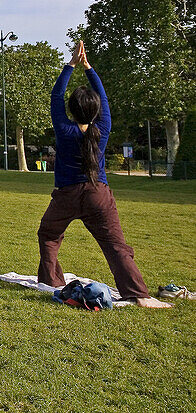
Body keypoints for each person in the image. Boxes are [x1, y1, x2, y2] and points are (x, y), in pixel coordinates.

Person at [37, 41, 171, 308]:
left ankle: (52, 281)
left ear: (72, 110)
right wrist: (88, 67)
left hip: (66, 194)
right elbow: (104, 97)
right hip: (98, 193)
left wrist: (71, 65)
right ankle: (138, 294)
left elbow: (55, 98)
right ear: (97, 110)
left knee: (49, 234)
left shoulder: (65, 130)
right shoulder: (103, 128)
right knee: (116, 246)